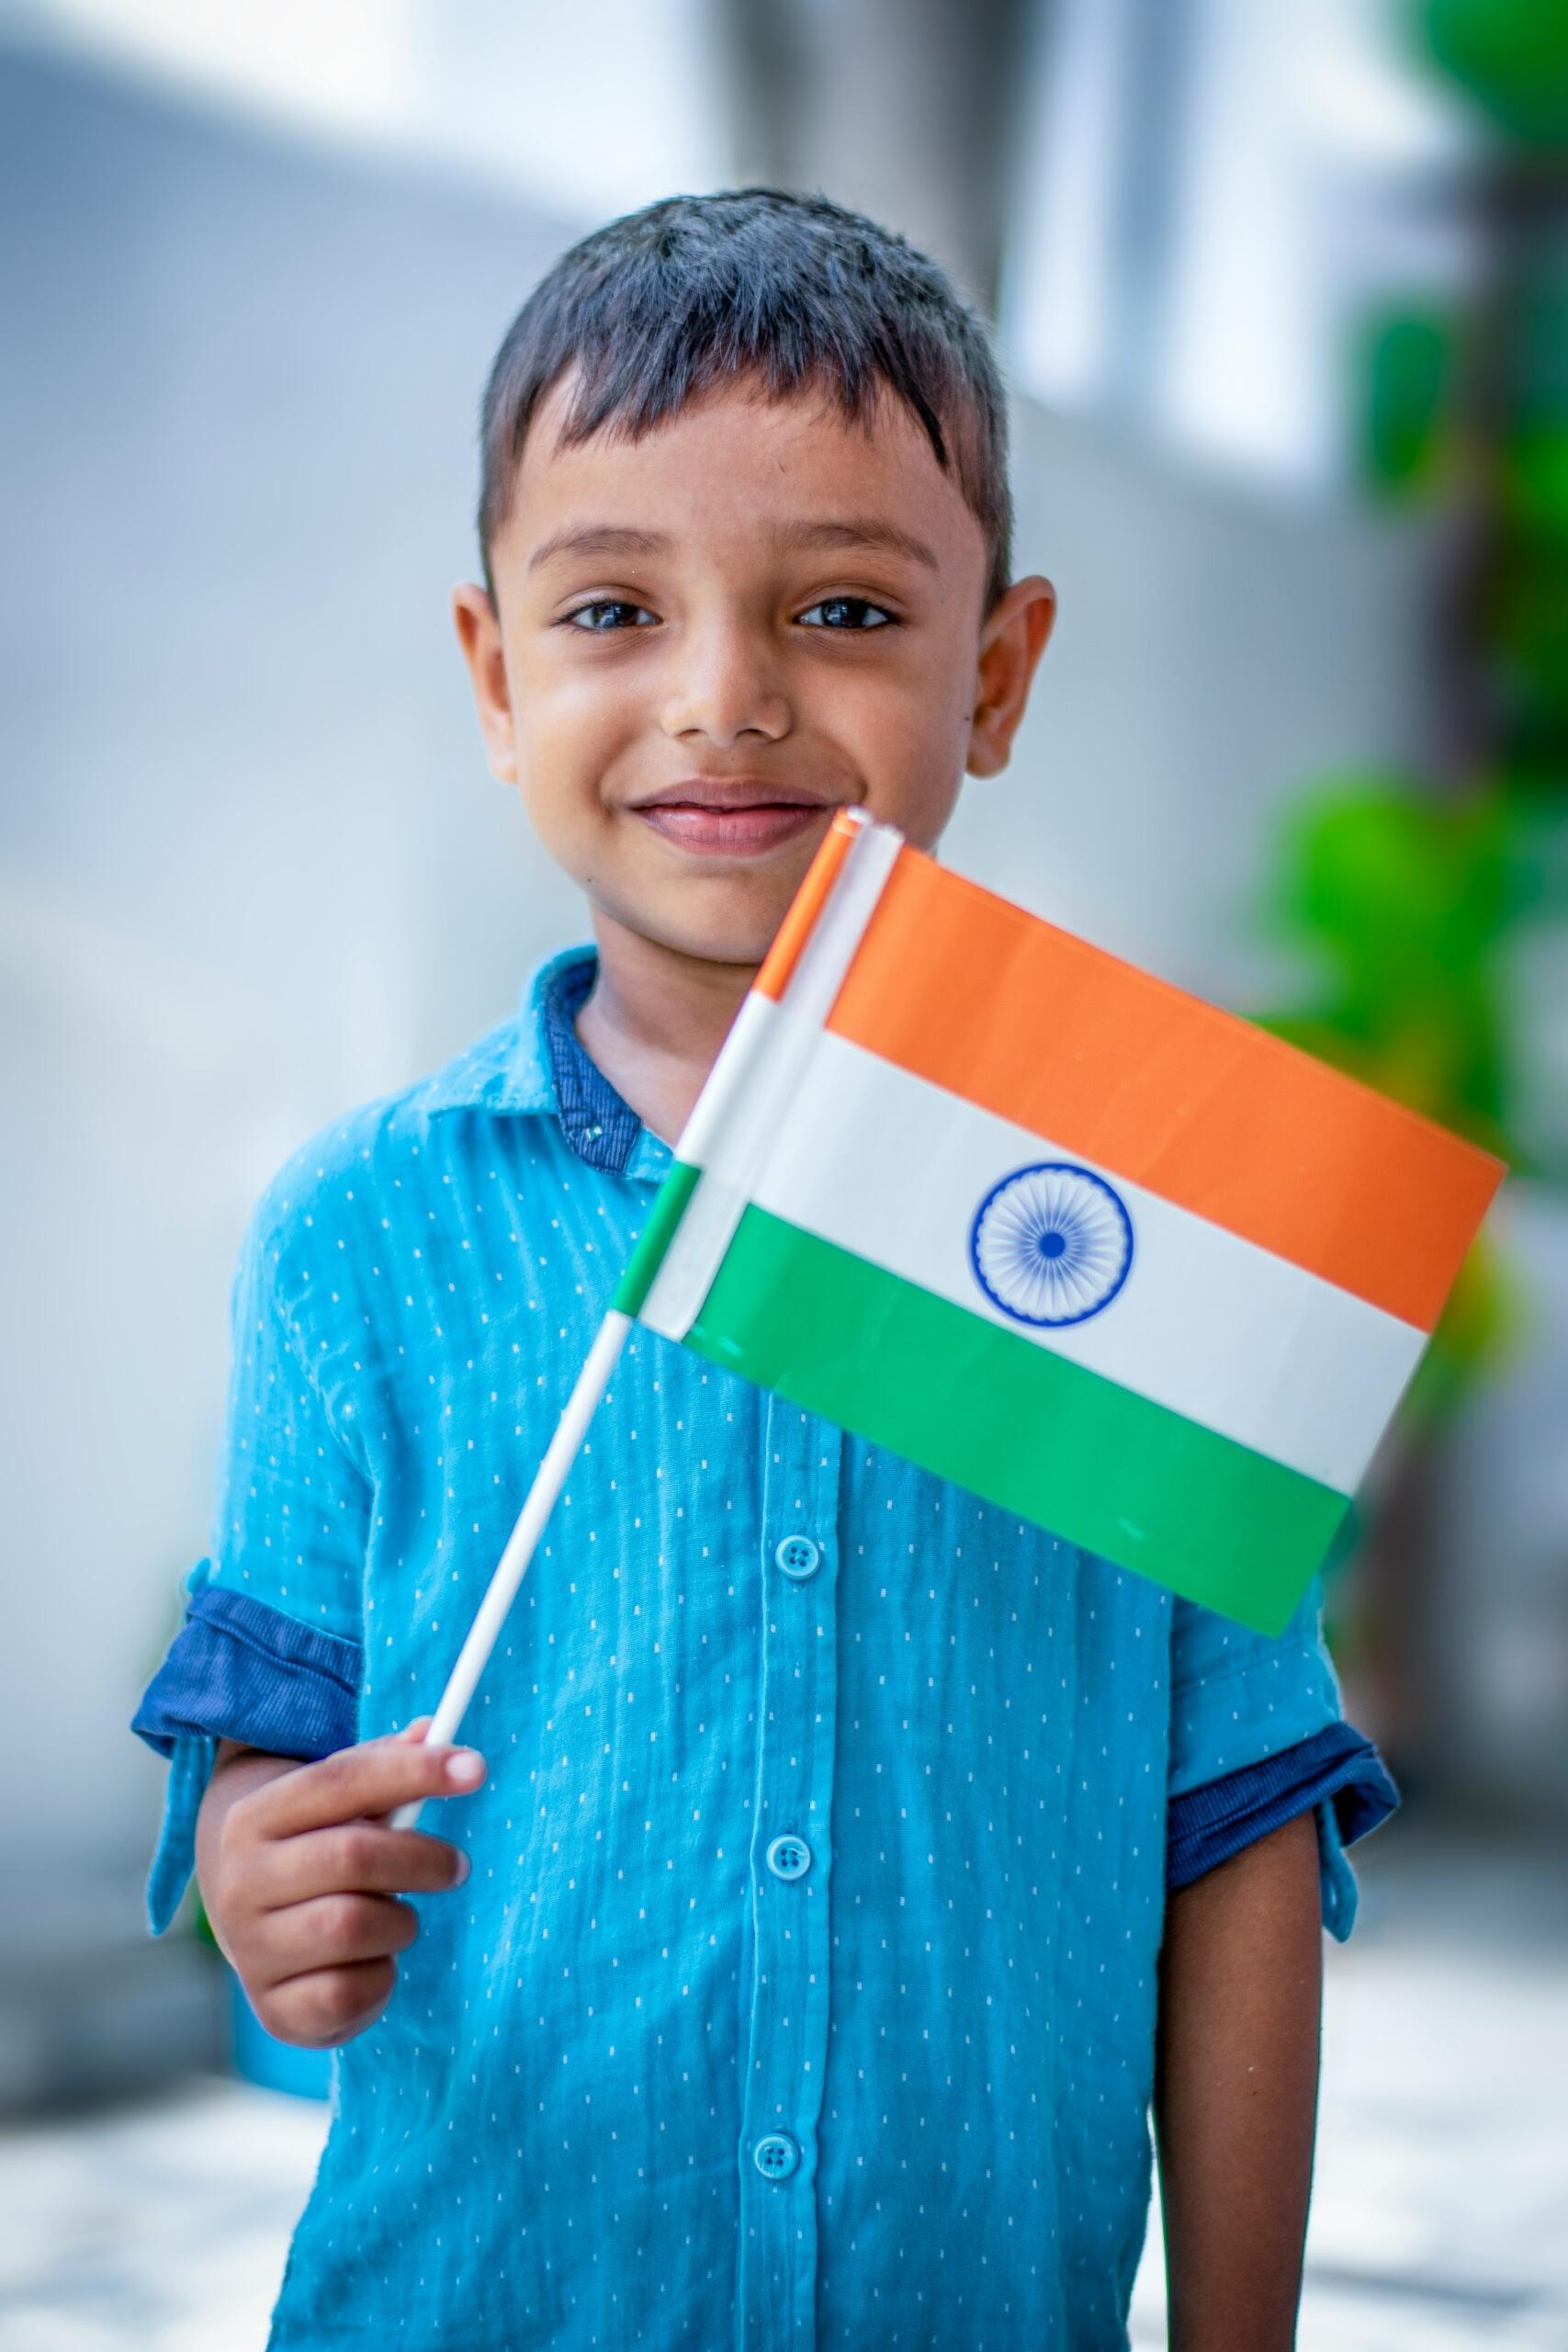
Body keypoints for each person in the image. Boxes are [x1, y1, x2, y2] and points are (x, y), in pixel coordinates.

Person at [132, 188, 1398, 2351]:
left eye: (836, 606)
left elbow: (1240, 1836)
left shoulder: (1157, 1246)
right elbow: (265, 1747)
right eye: (613, 604)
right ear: (494, 669)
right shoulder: (357, 1232)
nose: (724, 701)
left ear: (990, 674)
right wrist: (260, 1877)